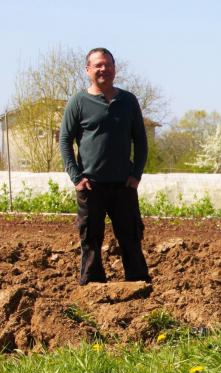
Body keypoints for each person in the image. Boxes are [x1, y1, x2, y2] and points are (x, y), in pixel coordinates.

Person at [60, 47, 151, 285]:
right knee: (91, 239)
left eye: (108, 65)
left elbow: (140, 140)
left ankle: (138, 284)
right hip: (91, 186)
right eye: (98, 65)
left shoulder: (128, 101)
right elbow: (65, 141)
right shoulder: (78, 102)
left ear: (114, 68)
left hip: (123, 185)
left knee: (131, 237)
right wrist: (76, 177)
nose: (104, 69)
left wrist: (136, 175)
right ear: (88, 70)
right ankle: (92, 286)